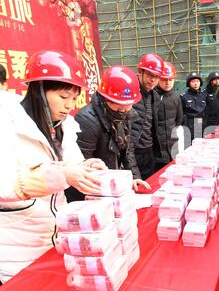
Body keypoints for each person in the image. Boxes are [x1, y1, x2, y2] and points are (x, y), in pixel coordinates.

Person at [0, 50, 106, 284]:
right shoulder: (6, 122)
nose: (70, 105)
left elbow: (71, 165)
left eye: (74, 97)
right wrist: (61, 174)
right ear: (38, 91)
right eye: (63, 96)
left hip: (54, 239)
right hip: (15, 252)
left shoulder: (63, 125)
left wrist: (86, 167)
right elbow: (5, 185)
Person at [69, 65, 149, 201]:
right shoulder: (87, 120)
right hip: (94, 193)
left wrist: (134, 177)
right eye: (118, 104)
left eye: (128, 104)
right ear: (104, 99)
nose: (124, 110)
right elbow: (83, 167)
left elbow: (127, 150)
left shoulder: (124, 114)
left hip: (112, 185)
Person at [132, 53, 165, 180]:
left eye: (156, 77)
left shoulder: (154, 96)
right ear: (140, 71)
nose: (153, 80)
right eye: (150, 75)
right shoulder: (131, 92)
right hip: (133, 152)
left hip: (149, 150)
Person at [154, 62, 183, 171]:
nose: (167, 83)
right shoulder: (153, 96)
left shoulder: (176, 97)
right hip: (156, 146)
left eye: (170, 79)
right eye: (164, 79)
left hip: (172, 142)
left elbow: (179, 119)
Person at [180, 72, 207, 143]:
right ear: (189, 83)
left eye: (197, 81)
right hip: (189, 125)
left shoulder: (203, 95)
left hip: (201, 124)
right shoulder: (183, 96)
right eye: (193, 81)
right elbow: (180, 113)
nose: (195, 83)